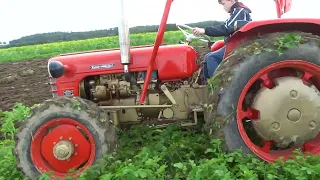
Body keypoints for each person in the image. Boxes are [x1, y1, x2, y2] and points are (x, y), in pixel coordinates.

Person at [192, 0, 252, 81]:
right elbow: (227, 27)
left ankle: (218, 86)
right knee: (207, 57)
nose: (223, 8)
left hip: (239, 45)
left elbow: (226, 28)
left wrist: (205, 30)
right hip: (234, 44)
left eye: (223, 4)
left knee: (211, 58)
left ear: (232, 1)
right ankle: (205, 85)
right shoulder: (235, 13)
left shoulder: (239, 10)